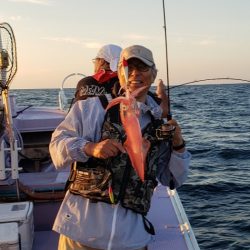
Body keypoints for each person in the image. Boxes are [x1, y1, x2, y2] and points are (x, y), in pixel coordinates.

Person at [49, 45, 191, 250]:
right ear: (119, 74)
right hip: (79, 234)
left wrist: (178, 145)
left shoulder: (159, 125)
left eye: (142, 68)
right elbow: (56, 146)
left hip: (131, 240)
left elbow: (172, 178)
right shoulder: (90, 108)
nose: (134, 74)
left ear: (153, 75)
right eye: (128, 67)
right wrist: (90, 148)